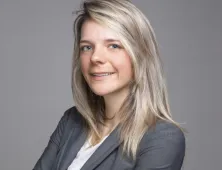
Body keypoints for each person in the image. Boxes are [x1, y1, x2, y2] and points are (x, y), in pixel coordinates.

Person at [33, 0, 186, 169]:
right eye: (86, 47)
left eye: (113, 46)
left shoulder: (162, 138)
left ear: (140, 55)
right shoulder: (72, 121)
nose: (95, 57)